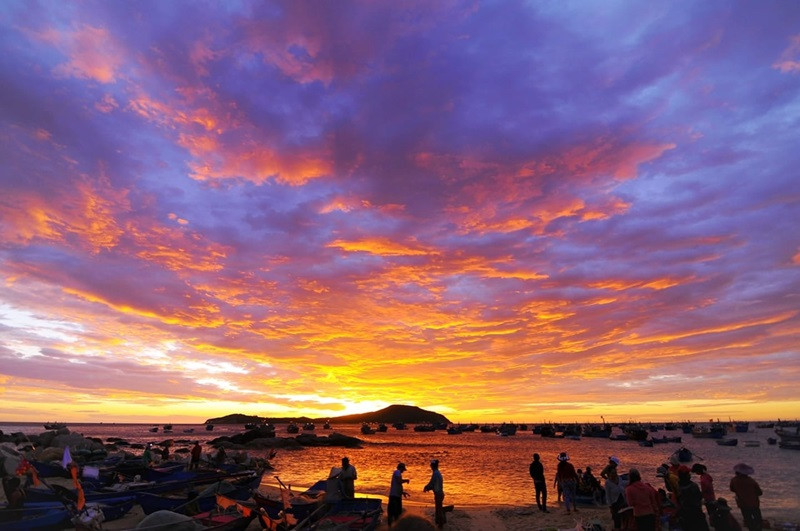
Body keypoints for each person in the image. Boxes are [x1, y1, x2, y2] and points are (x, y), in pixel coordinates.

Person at [729, 463, 762, 531]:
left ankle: (751, 529)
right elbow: (760, 492)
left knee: (748, 519)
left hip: (742, 503)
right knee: (757, 519)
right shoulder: (751, 481)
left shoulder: (734, 480)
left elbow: (732, 489)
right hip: (754, 503)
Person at [676, 465, 709, 530]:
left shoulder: (679, 486)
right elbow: (699, 497)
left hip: (685, 514)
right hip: (696, 512)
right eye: (688, 473)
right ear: (686, 475)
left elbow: (679, 499)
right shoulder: (693, 486)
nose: (689, 475)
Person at [423, 459, 446, 528]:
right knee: (438, 510)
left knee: (438, 511)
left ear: (433, 466)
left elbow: (432, 483)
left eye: (431, 465)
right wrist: (428, 488)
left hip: (438, 494)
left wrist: (426, 487)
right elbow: (434, 484)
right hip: (440, 494)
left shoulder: (435, 474)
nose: (430, 467)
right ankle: (440, 524)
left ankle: (440, 525)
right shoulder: (438, 473)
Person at [605, 463, 627, 530]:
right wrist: (610, 506)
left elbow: (624, 484)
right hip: (614, 503)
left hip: (623, 501)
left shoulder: (619, 478)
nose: (614, 474)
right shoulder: (608, 482)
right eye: (612, 473)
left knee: (624, 519)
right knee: (617, 520)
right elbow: (608, 495)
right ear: (609, 473)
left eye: (615, 472)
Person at [388, 462, 410, 527]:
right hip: (395, 497)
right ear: (401, 468)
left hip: (396, 495)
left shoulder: (397, 473)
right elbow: (399, 481)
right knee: (394, 513)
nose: (403, 471)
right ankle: (393, 527)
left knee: (394, 513)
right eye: (403, 469)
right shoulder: (397, 472)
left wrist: (403, 492)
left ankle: (392, 527)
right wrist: (406, 480)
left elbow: (397, 485)